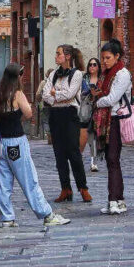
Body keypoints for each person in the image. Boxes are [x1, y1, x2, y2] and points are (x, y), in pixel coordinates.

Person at [0, 62, 70, 228]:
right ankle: (46, 214)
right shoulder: (17, 94)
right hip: (16, 142)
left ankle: (7, 218)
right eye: (21, 74)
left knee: (3, 184)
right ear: (16, 77)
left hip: (0, 144)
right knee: (29, 180)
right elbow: (28, 113)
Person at [43, 44, 91, 203]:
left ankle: (83, 188)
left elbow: (71, 94)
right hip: (55, 114)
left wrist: (55, 93)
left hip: (70, 115)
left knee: (74, 152)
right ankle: (65, 189)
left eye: (58, 54)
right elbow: (45, 95)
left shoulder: (77, 74)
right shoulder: (53, 74)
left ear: (68, 56)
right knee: (59, 154)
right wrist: (57, 96)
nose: (56, 56)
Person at [93, 38, 132, 215]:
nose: (105, 61)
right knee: (111, 160)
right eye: (103, 58)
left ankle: (114, 200)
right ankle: (117, 199)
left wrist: (96, 102)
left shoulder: (122, 74)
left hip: (116, 119)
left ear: (117, 56)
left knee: (113, 158)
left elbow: (112, 98)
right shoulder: (107, 74)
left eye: (108, 58)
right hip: (108, 120)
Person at [79, 57, 101, 173]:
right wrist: (90, 92)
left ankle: (94, 161)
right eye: (90, 65)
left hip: (98, 109)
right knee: (85, 136)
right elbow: (82, 93)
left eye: (94, 64)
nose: (92, 67)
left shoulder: (102, 78)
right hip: (86, 109)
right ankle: (79, 158)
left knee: (94, 136)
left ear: (98, 67)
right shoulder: (85, 78)